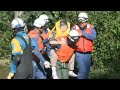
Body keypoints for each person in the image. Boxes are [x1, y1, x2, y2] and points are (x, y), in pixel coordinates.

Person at [72, 12, 97, 79]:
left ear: (86, 21)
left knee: (86, 72)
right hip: (78, 53)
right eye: (80, 22)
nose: (81, 24)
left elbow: (93, 37)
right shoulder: (74, 28)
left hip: (88, 54)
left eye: (83, 22)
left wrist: (82, 34)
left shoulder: (91, 27)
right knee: (82, 72)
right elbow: (70, 39)